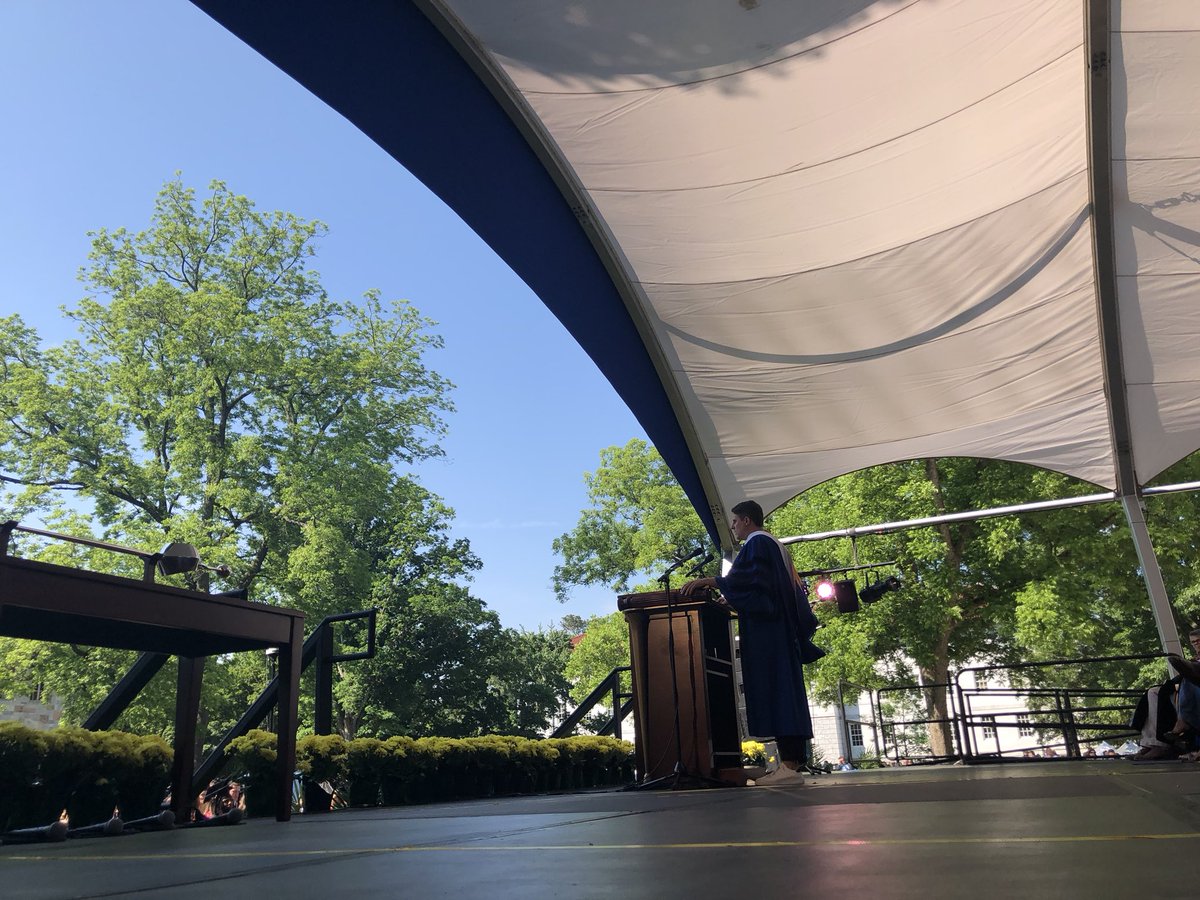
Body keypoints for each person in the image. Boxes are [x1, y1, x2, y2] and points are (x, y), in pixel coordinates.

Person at [681, 500, 820, 786]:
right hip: (778, 630)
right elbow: (761, 587)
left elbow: (751, 580)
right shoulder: (774, 545)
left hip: (771, 635)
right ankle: (790, 763)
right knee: (783, 691)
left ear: (746, 520)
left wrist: (712, 581)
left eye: (734, 521)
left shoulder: (758, 543)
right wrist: (732, 597)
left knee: (779, 691)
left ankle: (790, 767)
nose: (732, 526)